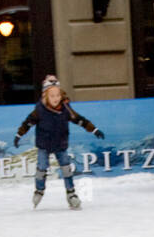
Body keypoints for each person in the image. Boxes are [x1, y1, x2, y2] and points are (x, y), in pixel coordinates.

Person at [14, 75, 104, 209]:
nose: (56, 98)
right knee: (41, 168)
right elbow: (27, 123)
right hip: (44, 145)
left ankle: (71, 194)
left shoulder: (66, 109)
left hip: (60, 144)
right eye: (52, 96)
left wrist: (94, 129)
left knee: (66, 169)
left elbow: (80, 120)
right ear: (45, 96)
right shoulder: (39, 111)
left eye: (58, 95)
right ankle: (39, 190)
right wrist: (18, 135)